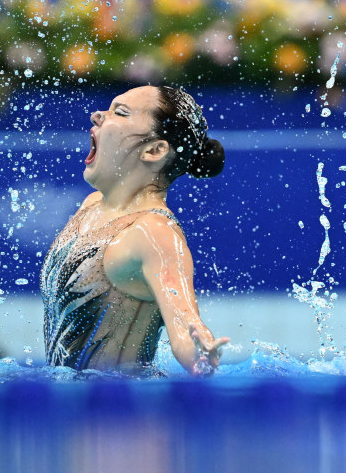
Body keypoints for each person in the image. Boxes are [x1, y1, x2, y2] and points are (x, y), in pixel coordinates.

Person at [41, 85, 230, 375]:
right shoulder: (91, 206)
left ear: (154, 150)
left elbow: (183, 322)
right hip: (73, 405)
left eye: (120, 112)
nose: (97, 116)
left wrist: (199, 355)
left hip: (123, 412)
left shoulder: (154, 233)